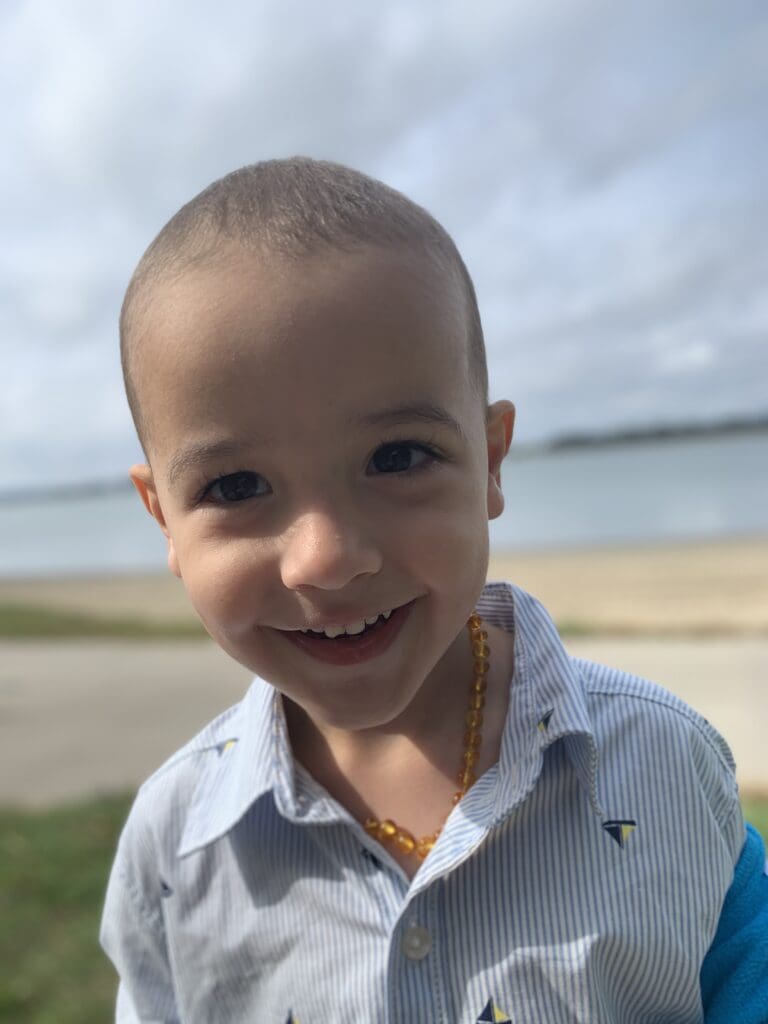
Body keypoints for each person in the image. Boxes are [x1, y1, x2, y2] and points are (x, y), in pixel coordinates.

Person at [101, 158, 768, 1023]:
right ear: (163, 517)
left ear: (491, 461)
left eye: (397, 457)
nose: (327, 560)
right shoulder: (173, 850)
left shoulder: (664, 760)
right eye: (235, 486)